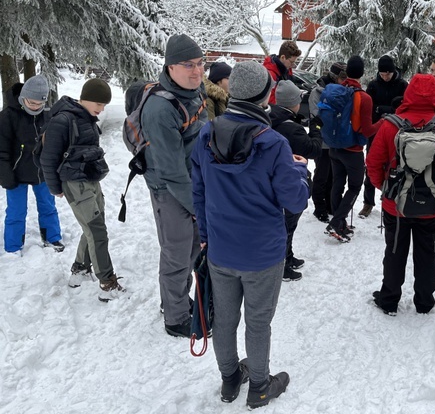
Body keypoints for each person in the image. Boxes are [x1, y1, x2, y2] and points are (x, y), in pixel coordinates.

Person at [191, 60, 310, 409]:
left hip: (221, 249)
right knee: (258, 322)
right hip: (262, 253)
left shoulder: (206, 133)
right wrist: (300, 172)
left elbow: (198, 191)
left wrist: (205, 233)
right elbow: (295, 201)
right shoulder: (272, 143)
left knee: (224, 319)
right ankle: (259, 384)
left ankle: (230, 378)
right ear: (266, 95)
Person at [367, 74, 435, 315]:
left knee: (394, 252)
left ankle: (389, 299)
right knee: (427, 253)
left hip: (396, 205)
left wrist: (385, 190)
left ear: (409, 93)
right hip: (432, 206)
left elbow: (372, 163)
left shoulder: (390, 125)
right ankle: (424, 302)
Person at [140, 33, 208, 337]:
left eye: (200, 64)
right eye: (188, 65)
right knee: (176, 253)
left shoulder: (195, 91)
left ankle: (174, 299)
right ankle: (175, 318)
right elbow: (171, 171)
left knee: (191, 249)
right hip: (169, 191)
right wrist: (198, 207)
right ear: (170, 67)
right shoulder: (160, 109)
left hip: (192, 184)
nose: (197, 71)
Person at [40, 78, 124, 301]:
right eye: (99, 103)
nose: (102, 109)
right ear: (86, 98)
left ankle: (80, 270)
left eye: (105, 105)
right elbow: (48, 157)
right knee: (96, 231)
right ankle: (107, 283)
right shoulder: (63, 120)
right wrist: (54, 187)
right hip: (75, 184)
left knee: (94, 226)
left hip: (90, 180)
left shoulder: (86, 118)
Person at [0, 75, 63, 254]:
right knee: (16, 211)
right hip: (15, 173)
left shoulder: (49, 115)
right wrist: (5, 175)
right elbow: (1, 150)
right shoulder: (7, 117)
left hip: (42, 172)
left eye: (39, 104)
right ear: (22, 98)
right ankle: (13, 247)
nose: (35, 107)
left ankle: (52, 238)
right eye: (31, 102)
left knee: (48, 207)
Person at [269, 80, 323, 281]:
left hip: (276, 178)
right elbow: (313, 149)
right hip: (290, 180)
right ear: (294, 102)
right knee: (287, 225)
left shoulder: (272, 116)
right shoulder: (291, 128)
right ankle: (282, 265)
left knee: (286, 224)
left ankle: (287, 257)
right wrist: (316, 126)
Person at [326, 55, 382, 242]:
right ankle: (336, 222)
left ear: (347, 72)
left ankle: (339, 223)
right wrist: (382, 122)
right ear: (363, 73)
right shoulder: (364, 98)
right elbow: (366, 130)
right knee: (355, 186)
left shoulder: (336, 91)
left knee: (337, 184)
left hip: (334, 147)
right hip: (353, 150)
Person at [360, 55, 408, 218]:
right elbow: (368, 107)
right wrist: (381, 111)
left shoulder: (402, 85)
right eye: (382, 74)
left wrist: (384, 109)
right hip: (376, 130)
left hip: (397, 132)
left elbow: (405, 107)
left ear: (393, 72)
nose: (385, 77)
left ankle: (393, 197)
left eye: (388, 74)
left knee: (395, 166)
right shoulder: (373, 85)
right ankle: (368, 202)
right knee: (372, 165)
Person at [308, 62, 346, 222]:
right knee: (322, 174)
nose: (344, 81)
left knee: (332, 175)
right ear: (335, 77)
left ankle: (330, 204)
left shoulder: (342, 91)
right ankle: (319, 207)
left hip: (335, 141)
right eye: (342, 78)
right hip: (322, 140)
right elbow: (317, 115)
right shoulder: (317, 92)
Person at [263, 40, 302, 105]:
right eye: (292, 62)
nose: (293, 65)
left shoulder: (287, 68)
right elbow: (270, 100)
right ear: (283, 57)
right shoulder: (270, 74)